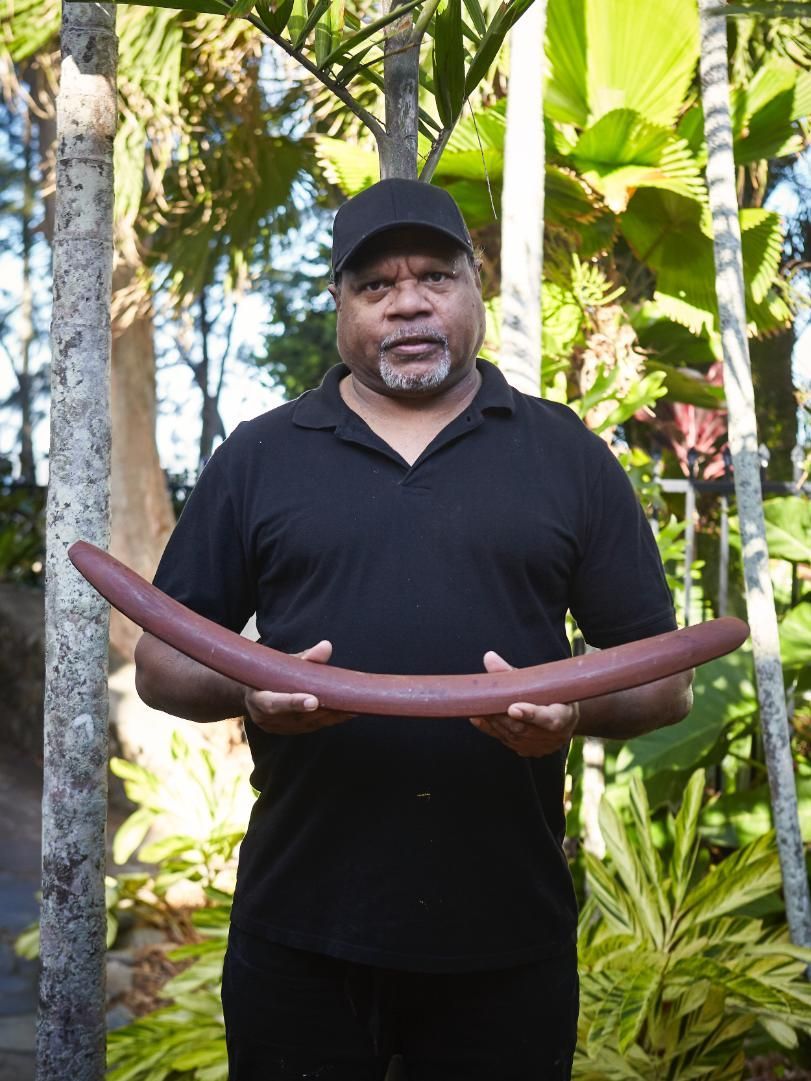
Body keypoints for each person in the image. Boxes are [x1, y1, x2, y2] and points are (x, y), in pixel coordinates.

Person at [134, 178, 693, 1081]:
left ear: (475, 289)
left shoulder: (567, 456)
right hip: (300, 930)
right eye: (374, 285)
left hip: (505, 934)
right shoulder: (260, 454)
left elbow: (665, 680)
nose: (407, 303)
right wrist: (248, 690)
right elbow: (161, 663)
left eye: (434, 276)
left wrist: (573, 713)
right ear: (341, 306)